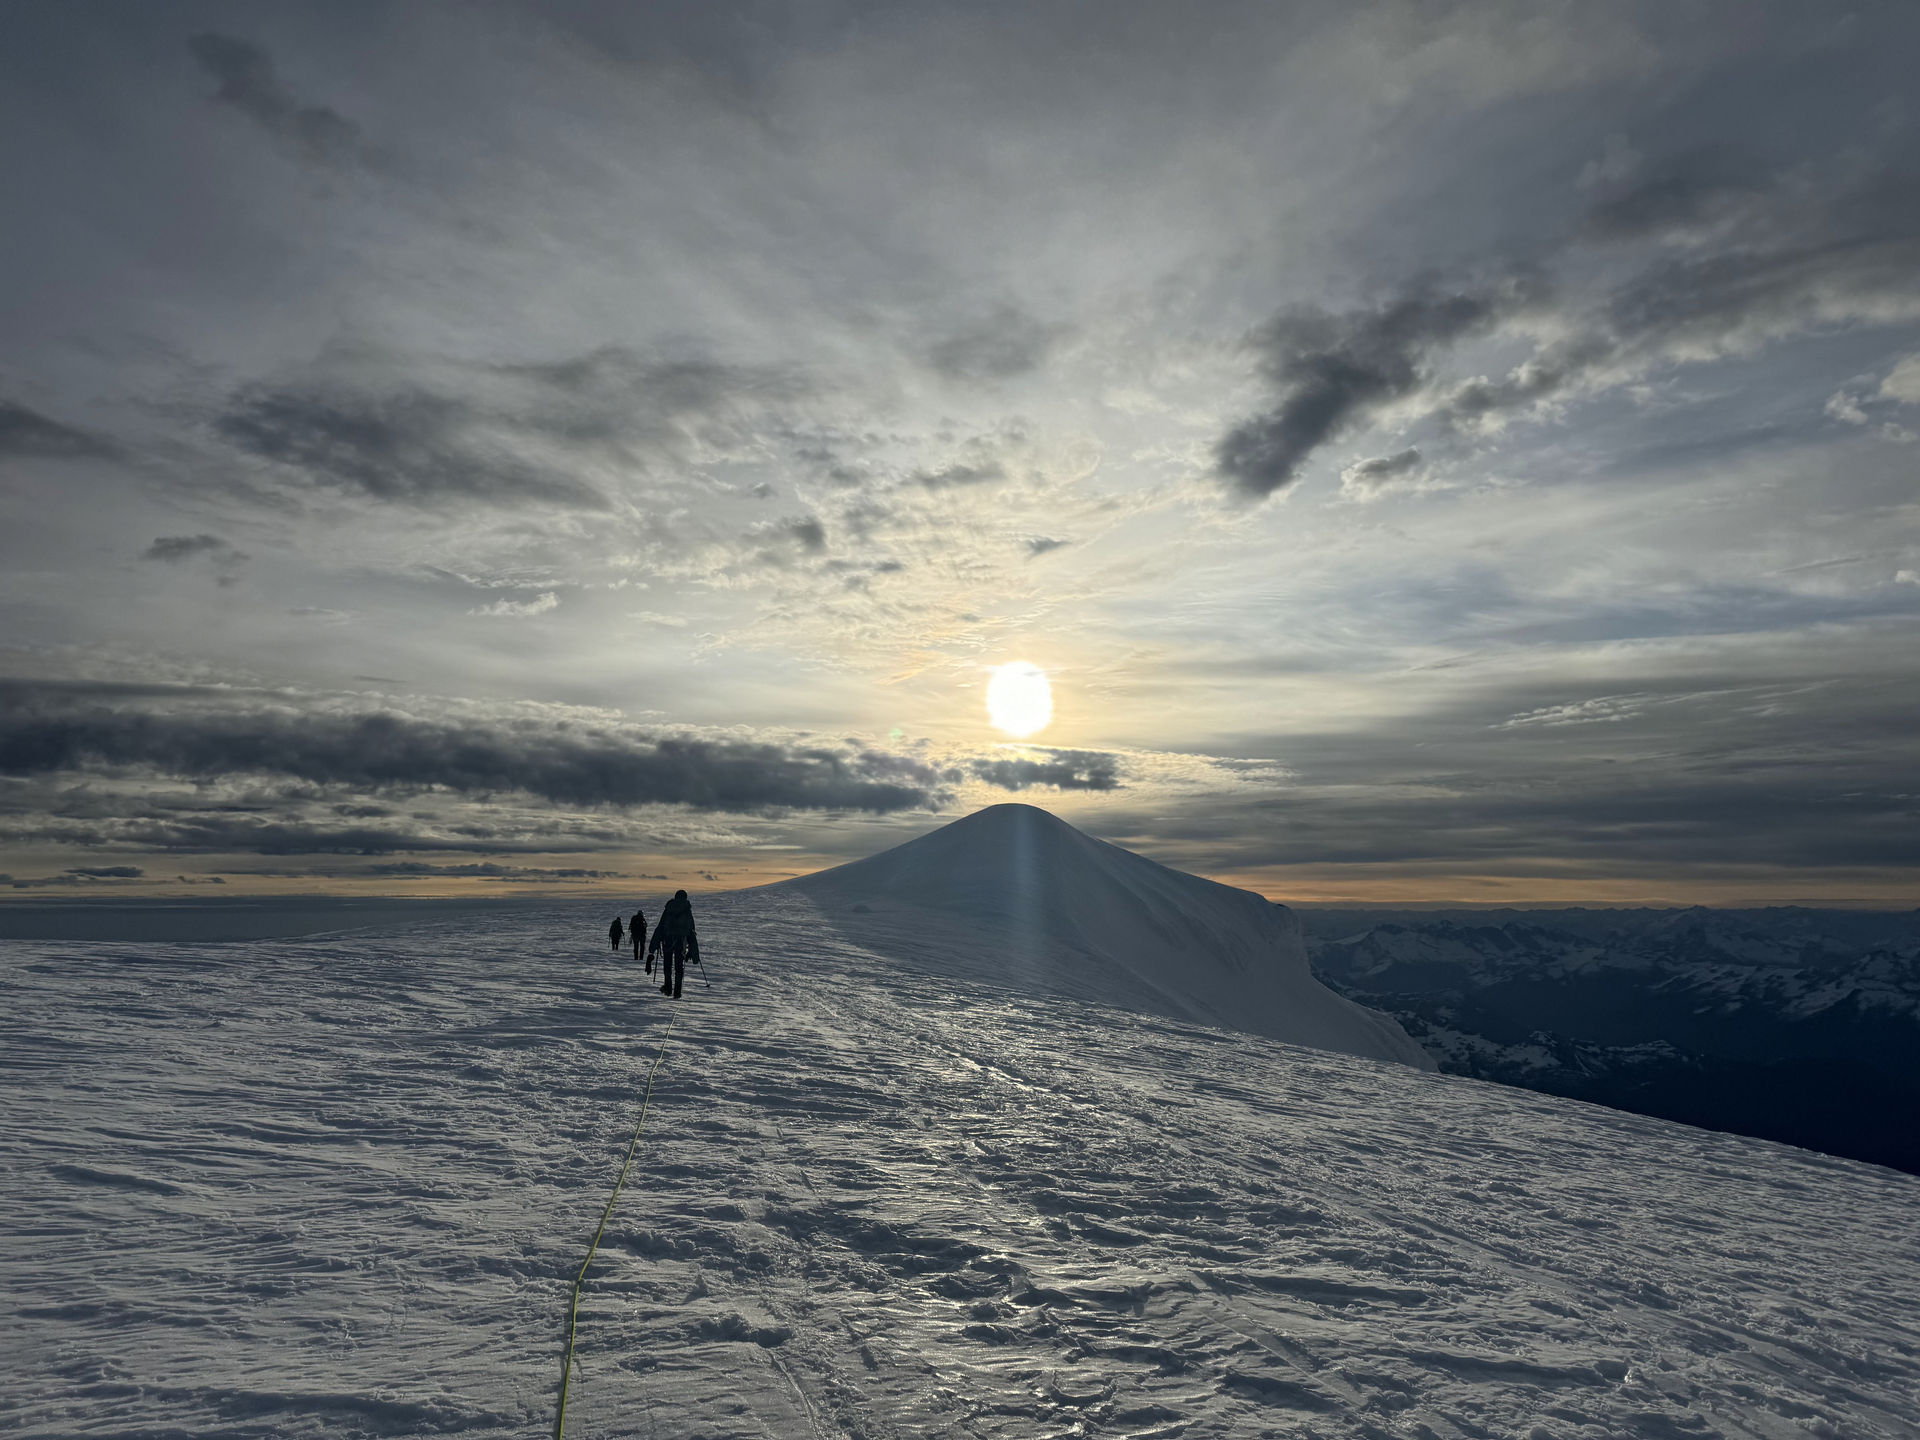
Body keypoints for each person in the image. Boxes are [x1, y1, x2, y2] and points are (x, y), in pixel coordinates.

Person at [647, 889, 696, 999]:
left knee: (667, 965)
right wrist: (692, 947)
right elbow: (691, 929)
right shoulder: (687, 910)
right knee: (679, 967)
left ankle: (668, 989)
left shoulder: (668, 909)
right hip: (680, 941)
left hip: (667, 940)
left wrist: (652, 948)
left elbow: (661, 926)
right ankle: (677, 992)